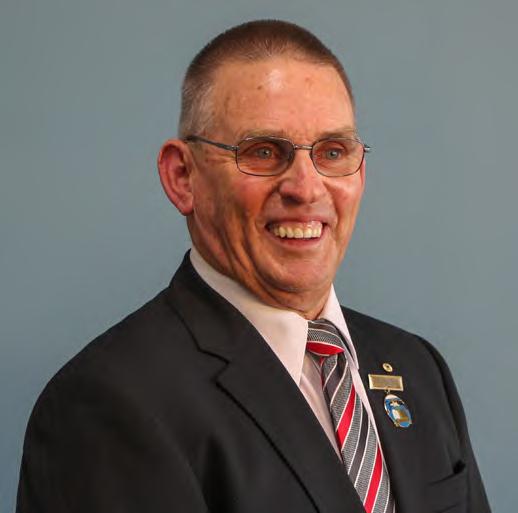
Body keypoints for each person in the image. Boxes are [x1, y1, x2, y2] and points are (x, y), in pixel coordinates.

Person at [16, 19, 491, 513]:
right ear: (183, 177)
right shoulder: (109, 404)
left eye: (333, 152)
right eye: (263, 152)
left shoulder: (418, 369)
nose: (306, 188)